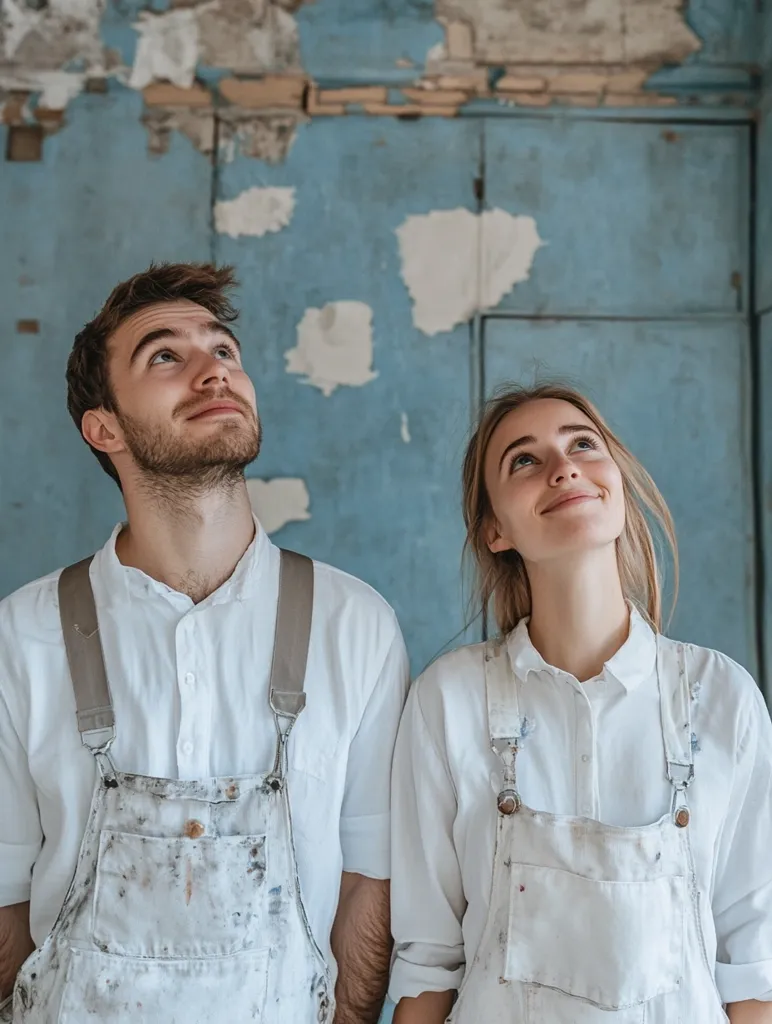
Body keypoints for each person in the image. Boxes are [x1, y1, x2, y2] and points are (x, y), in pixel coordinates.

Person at [0, 263, 409, 1024]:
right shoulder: (21, 637)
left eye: (224, 351)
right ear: (104, 427)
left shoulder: (355, 624)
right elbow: (2, 900)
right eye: (166, 356)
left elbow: (369, 884)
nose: (213, 371)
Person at [389, 382, 772, 1024]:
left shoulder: (721, 696)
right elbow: (427, 966)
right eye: (524, 460)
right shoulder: (447, 700)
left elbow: (755, 969)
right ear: (494, 529)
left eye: (582, 445)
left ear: (617, 483)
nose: (564, 468)